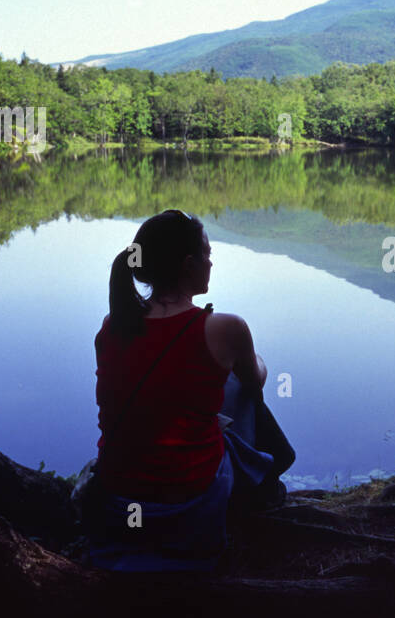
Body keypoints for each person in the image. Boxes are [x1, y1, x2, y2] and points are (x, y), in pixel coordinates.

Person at [83, 209, 293, 572]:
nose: (212, 264)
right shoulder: (225, 329)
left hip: (117, 496)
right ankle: (260, 486)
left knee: (200, 386)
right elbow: (254, 382)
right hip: (190, 503)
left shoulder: (113, 323)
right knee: (241, 389)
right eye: (207, 256)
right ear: (188, 265)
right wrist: (254, 359)